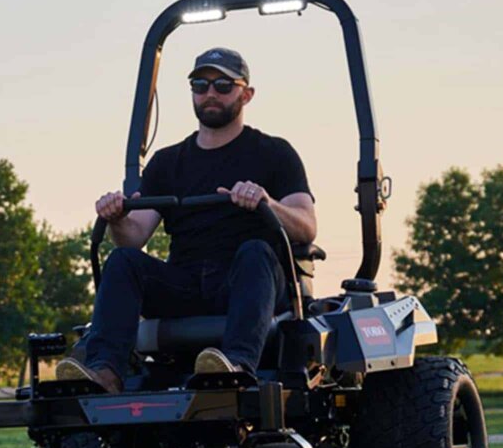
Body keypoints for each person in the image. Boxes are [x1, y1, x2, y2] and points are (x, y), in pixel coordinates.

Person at [56, 47, 317, 393]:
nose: (210, 93)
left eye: (223, 85)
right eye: (200, 85)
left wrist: (267, 203)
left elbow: (306, 226)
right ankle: (105, 373)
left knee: (255, 251)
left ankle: (236, 366)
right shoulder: (167, 162)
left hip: (247, 282)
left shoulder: (274, 153)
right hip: (186, 283)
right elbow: (133, 237)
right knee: (122, 260)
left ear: (246, 94)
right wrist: (117, 217)